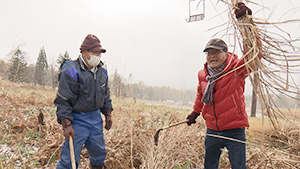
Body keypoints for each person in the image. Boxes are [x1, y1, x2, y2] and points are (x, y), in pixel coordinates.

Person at [186, 2, 254, 169]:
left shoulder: (237, 68)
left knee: (239, 167)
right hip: (212, 129)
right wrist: (195, 112)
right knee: (209, 166)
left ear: (226, 53)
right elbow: (200, 95)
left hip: (234, 129)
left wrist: (246, 25)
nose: (212, 56)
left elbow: (253, 54)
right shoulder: (203, 74)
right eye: (209, 53)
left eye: (216, 52)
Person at [54, 34, 113, 169]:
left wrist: (108, 113)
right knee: (70, 158)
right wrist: (66, 124)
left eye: (100, 53)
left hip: (95, 117)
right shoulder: (72, 71)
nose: (98, 56)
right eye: (95, 52)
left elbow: (105, 94)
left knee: (99, 153)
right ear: (85, 53)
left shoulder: (102, 71)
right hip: (77, 119)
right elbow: (63, 100)